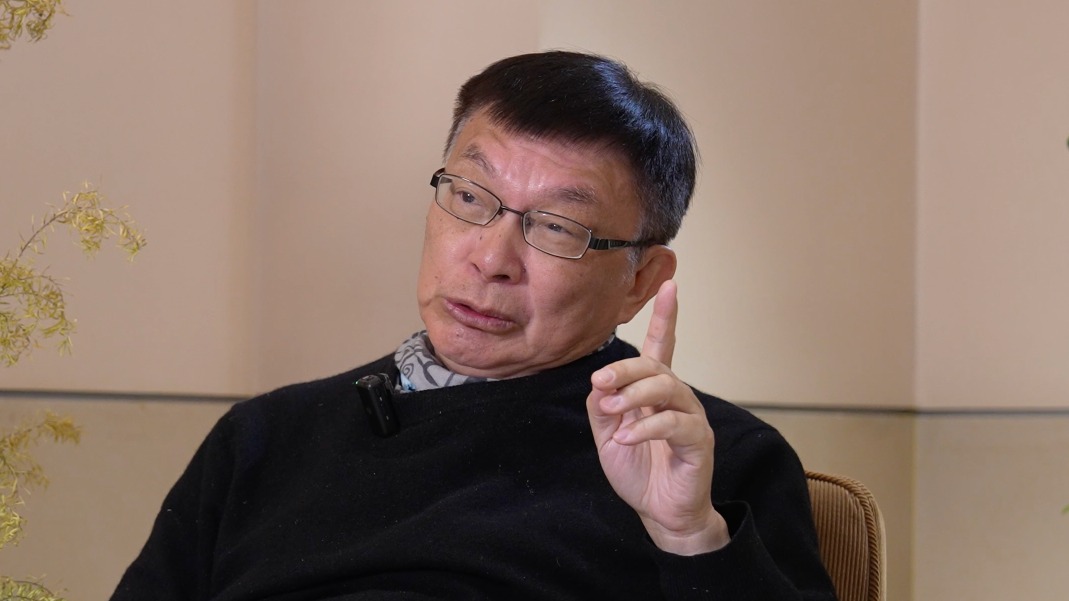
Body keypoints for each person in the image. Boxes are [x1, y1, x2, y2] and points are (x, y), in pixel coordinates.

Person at [111, 51, 837, 600]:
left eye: (557, 227)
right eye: (469, 196)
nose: (490, 258)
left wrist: (690, 536)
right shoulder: (265, 438)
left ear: (640, 281)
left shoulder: (700, 462)